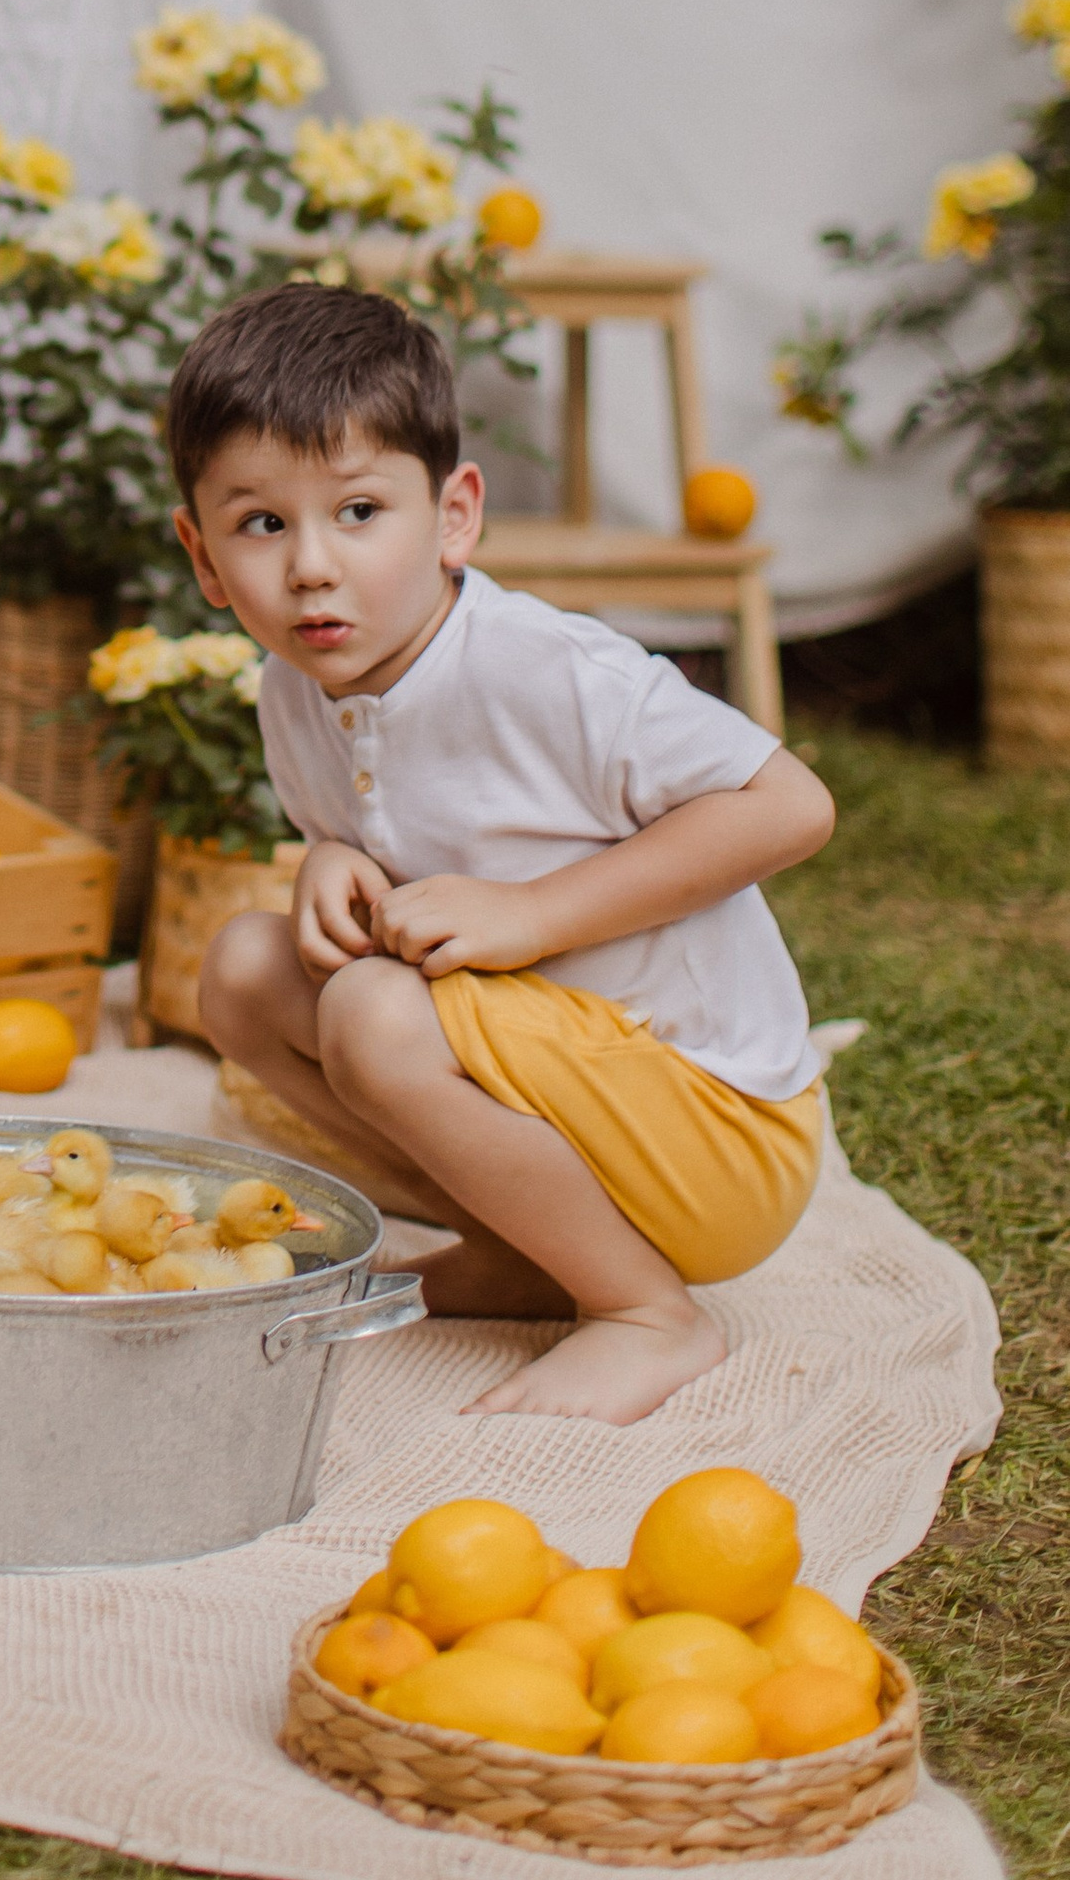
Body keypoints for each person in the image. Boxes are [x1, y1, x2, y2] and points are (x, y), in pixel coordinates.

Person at [179, 284, 834, 1425]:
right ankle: (527, 1249)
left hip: (716, 1127)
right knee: (242, 968)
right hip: (568, 1097)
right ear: (202, 557)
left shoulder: (549, 671)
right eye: (262, 524)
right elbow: (401, 837)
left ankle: (645, 1313)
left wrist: (534, 915)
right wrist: (331, 857)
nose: (313, 568)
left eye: (360, 511)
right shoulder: (295, 687)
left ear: (453, 517)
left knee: (374, 1014)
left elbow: (789, 806)